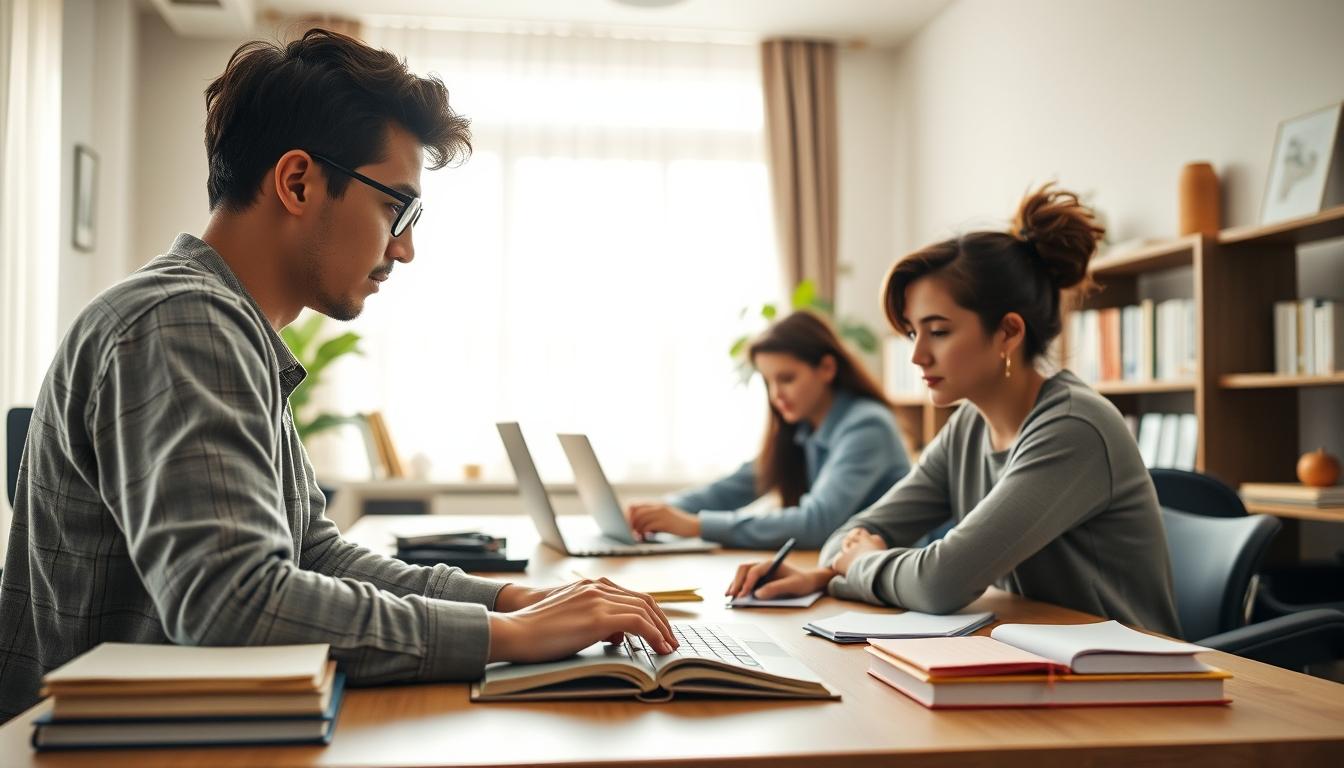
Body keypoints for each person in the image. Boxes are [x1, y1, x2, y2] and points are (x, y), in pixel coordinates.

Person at [0, 29, 675, 723]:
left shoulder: (226, 324)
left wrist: (508, 600)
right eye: (396, 208)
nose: (406, 249)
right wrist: (508, 637)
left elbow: (312, 554)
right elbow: (235, 603)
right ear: (298, 182)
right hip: (103, 748)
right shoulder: (183, 321)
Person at [727, 185, 1182, 636]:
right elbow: (848, 537)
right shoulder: (969, 425)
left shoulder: (1071, 428)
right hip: (1032, 656)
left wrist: (861, 565)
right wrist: (828, 574)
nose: (918, 355)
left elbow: (941, 582)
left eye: (939, 331)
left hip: (1130, 677)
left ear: (1007, 332)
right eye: (912, 334)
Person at [627, 311, 910, 549]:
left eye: (786, 379)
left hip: (892, 578)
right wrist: (657, 511)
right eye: (768, 382)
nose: (776, 395)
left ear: (826, 368)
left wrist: (695, 525)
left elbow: (816, 523)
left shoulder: (867, 425)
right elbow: (732, 489)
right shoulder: (803, 429)